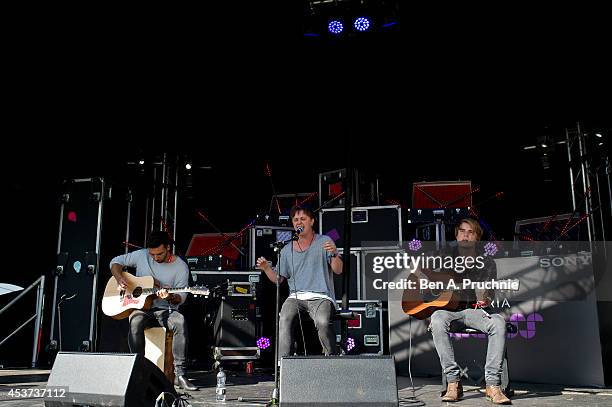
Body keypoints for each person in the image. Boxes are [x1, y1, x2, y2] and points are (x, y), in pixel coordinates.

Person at [429, 219, 511, 404]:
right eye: (462, 231)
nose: (465, 235)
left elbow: (488, 295)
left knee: (498, 322)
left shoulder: (487, 263)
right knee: (436, 318)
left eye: (470, 232)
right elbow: (429, 282)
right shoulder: (443, 258)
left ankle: (492, 385)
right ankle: (453, 383)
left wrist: (486, 298)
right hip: (450, 310)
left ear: (477, 237)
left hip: (475, 311)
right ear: (457, 235)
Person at [109, 230, 197, 391]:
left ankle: (180, 374)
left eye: (160, 254)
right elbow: (115, 262)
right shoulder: (142, 255)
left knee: (180, 322)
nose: (155, 258)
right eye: (152, 254)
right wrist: (118, 277)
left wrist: (169, 297)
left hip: (166, 310)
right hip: (143, 309)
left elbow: (181, 297)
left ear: (168, 248)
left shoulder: (181, 267)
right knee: (135, 321)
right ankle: (138, 370)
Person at [256, 205, 343, 358]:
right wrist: (266, 269)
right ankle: (284, 364)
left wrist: (335, 254)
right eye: (295, 219)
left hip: (321, 297)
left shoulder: (325, 240)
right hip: (296, 297)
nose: (298, 222)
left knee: (322, 322)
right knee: (284, 318)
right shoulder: (286, 249)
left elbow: (338, 270)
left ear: (312, 221)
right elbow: (278, 280)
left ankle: (332, 357)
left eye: (303, 219)